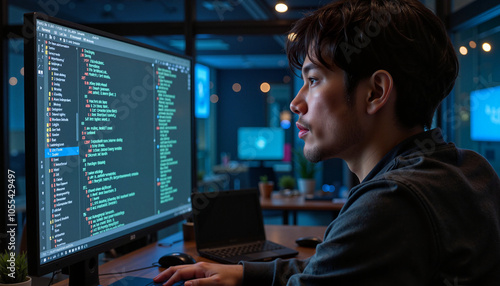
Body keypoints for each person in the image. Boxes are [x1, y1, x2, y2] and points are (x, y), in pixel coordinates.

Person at [154, 0, 500, 285]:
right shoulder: (468, 168)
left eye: (314, 80)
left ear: (375, 92)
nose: (296, 103)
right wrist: (244, 274)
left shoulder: (391, 203)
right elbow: (334, 270)